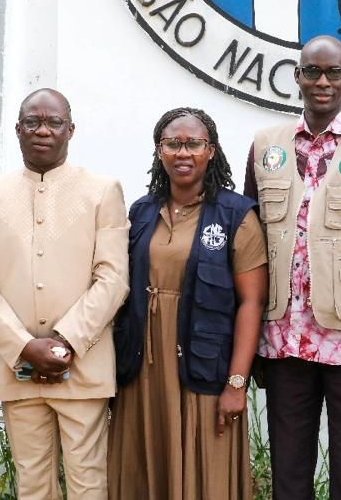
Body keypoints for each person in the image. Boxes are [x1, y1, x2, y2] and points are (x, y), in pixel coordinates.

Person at [244, 35, 341, 499]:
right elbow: (249, 250)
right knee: (289, 472)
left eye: (334, 72)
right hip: (284, 342)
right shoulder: (265, 145)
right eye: (312, 71)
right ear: (297, 77)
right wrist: (252, 343)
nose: (323, 82)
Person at [0, 88, 129, 499]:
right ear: (17, 130)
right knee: (32, 483)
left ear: (70, 130)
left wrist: (63, 343)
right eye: (32, 122)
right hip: (16, 367)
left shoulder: (102, 191)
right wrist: (23, 347)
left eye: (53, 122)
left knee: (88, 481)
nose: (43, 130)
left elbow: (112, 279)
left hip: (82, 364)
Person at [109, 107, 268, 499]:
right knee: (144, 467)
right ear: (159, 151)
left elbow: (252, 303)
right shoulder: (142, 212)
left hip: (203, 363)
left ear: (210, 150)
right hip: (143, 365)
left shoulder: (236, 215)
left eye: (193, 144)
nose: (183, 153)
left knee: (203, 469)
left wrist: (236, 383)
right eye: (172, 144)